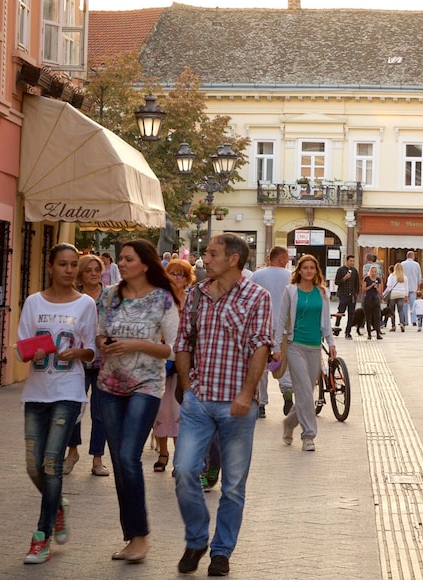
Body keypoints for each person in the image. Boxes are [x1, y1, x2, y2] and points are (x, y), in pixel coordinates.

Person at [173, 233, 272, 576]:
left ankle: (221, 551)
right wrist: (187, 387)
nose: (206, 258)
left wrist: (247, 393)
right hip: (199, 401)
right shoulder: (196, 294)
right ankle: (196, 538)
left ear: (233, 259)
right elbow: (183, 342)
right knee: (184, 471)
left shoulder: (257, 296)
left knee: (232, 485)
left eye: (213, 254)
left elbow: (261, 345)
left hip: (237, 405)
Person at [95, 239, 180, 563]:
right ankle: (131, 536)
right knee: (119, 461)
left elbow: (173, 349)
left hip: (146, 385)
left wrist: (135, 344)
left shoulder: (162, 298)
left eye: (128, 258)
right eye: (121, 258)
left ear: (145, 263)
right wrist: (105, 343)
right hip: (109, 385)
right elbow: (99, 334)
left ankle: (141, 536)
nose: (122, 263)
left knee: (129, 457)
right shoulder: (109, 295)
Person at [18, 243, 96, 564]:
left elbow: (92, 351)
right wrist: (31, 352)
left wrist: (78, 352)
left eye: (73, 264)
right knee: (33, 466)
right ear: (50, 266)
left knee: (52, 463)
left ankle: (42, 536)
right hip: (36, 393)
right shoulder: (33, 302)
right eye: (62, 264)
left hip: (69, 391)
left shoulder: (86, 304)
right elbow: (22, 346)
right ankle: (58, 504)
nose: (69, 270)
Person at [273, 254, 337, 452]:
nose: (309, 271)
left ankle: (289, 422)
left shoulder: (322, 292)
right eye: (305, 267)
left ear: (316, 271)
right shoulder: (291, 291)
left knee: (305, 392)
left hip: (315, 346)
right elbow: (281, 319)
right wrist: (276, 347)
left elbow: (326, 321)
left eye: (312, 268)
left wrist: (331, 342)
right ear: (299, 270)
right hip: (295, 346)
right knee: (305, 392)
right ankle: (308, 435)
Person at [65, 254, 109, 477]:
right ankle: (72, 453)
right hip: (78, 362)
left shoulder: (110, 296)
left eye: (97, 269)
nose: (94, 273)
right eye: (89, 270)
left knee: (100, 414)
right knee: (73, 409)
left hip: (104, 362)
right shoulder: (73, 297)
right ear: (81, 274)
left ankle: (97, 459)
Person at [153, 259, 195, 473]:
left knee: (180, 410)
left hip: (183, 361)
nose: (177, 278)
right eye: (173, 273)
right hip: (161, 360)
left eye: (181, 274)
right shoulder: (160, 300)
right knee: (160, 410)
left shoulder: (191, 301)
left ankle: (179, 457)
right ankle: (163, 452)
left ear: (188, 279)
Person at [251, 246, 295, 417]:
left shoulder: (257, 275)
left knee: (261, 364)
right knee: (283, 362)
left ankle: (261, 403)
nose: (288, 261)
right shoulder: (290, 276)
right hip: (283, 326)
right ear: (282, 259)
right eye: (287, 258)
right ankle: (287, 391)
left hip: (261, 325)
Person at [333, 255, 359, 339]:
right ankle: (336, 328)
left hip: (352, 296)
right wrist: (344, 278)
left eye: (353, 261)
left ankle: (348, 332)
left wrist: (356, 293)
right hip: (343, 294)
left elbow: (357, 283)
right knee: (340, 312)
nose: (352, 262)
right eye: (351, 261)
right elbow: (336, 282)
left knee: (351, 314)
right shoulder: (340, 270)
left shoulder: (354, 271)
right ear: (347, 261)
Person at [362, 265, 384, 340]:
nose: (374, 273)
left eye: (375, 272)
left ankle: (378, 333)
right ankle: (369, 334)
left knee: (377, 317)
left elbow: (380, 291)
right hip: (368, 298)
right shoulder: (366, 278)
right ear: (370, 272)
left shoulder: (378, 279)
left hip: (375, 299)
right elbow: (363, 289)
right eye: (372, 272)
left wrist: (376, 287)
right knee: (368, 317)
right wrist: (371, 286)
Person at [400, 251, 422, 326]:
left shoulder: (402, 264)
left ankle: (405, 321)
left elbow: (400, 275)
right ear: (413, 256)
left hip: (404, 288)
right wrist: (418, 287)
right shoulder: (417, 264)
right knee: (413, 304)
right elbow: (419, 277)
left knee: (404, 305)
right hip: (413, 287)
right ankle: (414, 320)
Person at [385, 262, 408, 332]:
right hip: (401, 294)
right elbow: (406, 287)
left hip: (393, 294)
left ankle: (393, 325)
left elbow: (389, 286)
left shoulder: (392, 276)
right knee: (400, 310)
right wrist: (406, 296)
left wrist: (384, 293)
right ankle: (402, 323)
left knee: (392, 310)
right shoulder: (404, 276)